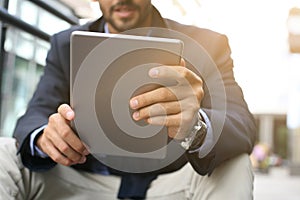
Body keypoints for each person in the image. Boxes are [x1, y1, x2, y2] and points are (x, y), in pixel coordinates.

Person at [0, 0, 257, 199]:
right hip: (81, 181)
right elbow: (35, 113)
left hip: (170, 186)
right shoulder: (64, 44)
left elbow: (241, 122)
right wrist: (46, 136)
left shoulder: (207, 44)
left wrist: (196, 127)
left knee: (235, 163)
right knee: (4, 152)